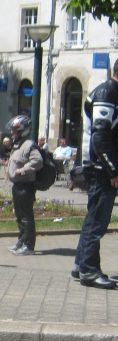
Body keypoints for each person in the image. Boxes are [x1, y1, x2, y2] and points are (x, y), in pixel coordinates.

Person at [72, 59, 118, 289]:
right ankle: (89, 270)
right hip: (100, 168)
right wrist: (113, 170)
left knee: (94, 216)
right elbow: (100, 137)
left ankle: (81, 264)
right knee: (98, 219)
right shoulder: (107, 93)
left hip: (101, 167)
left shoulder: (111, 93)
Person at [5, 114, 42, 255]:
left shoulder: (29, 145)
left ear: (22, 131)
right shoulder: (18, 144)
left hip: (26, 186)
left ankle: (29, 246)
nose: (11, 132)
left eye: (14, 130)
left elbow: (38, 162)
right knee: (19, 216)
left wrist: (22, 170)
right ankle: (21, 241)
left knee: (26, 217)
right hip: (17, 185)